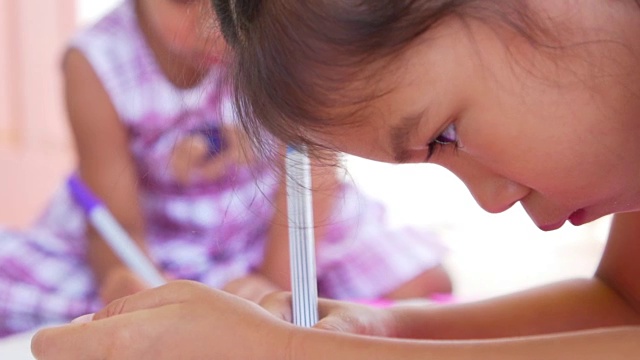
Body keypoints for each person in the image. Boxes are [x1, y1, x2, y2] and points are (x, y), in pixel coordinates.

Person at [30, 0, 640, 358]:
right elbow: (624, 306)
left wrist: (297, 351)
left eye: (445, 133)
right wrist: (379, 328)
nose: (493, 201)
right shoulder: (98, 59)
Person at [0, 0, 453, 338]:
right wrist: (128, 284)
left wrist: (276, 288)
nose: (213, 21)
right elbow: (113, 226)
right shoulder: (95, 62)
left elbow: (312, 171)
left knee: (425, 281)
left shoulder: (273, 31)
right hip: (162, 239)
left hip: (271, 220)